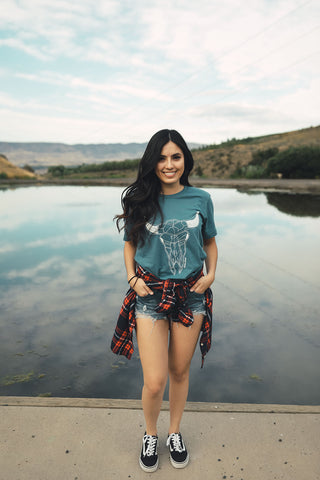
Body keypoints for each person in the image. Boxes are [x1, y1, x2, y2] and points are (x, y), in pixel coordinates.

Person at [111, 129, 218, 472]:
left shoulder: (201, 199)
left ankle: (174, 432)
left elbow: (210, 241)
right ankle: (151, 434)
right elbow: (130, 243)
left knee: (180, 370)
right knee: (155, 380)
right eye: (161, 157)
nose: (169, 164)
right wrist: (132, 278)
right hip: (150, 296)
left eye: (175, 156)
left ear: (185, 159)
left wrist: (211, 274)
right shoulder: (140, 200)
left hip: (191, 296)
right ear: (151, 162)